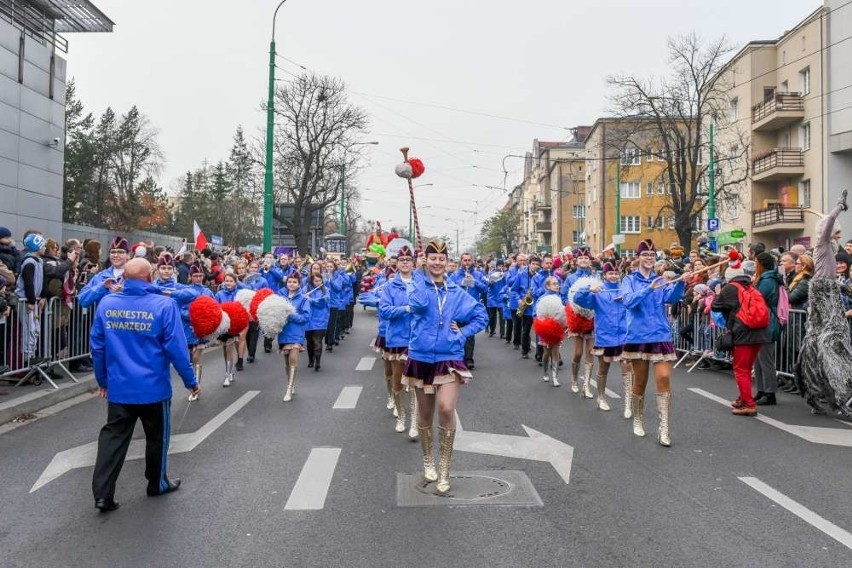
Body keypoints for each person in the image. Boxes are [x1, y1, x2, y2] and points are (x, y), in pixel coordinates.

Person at [90, 258, 200, 512]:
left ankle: (103, 494)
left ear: (124, 278)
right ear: (150, 277)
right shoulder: (164, 304)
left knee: (112, 439)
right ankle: (157, 483)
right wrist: (190, 381)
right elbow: (177, 349)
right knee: (157, 439)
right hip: (154, 388)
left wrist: (102, 380)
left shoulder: (107, 304)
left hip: (119, 387)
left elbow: (97, 346)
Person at [402, 239, 487, 494]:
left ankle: (445, 469)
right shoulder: (418, 286)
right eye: (433, 259)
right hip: (420, 357)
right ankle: (428, 461)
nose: (437, 263)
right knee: (425, 416)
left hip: (449, 357)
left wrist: (462, 333)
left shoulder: (458, 293)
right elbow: (416, 305)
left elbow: (480, 315)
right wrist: (419, 275)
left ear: (448, 262)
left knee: (446, 408)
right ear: (425, 261)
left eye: (442, 259)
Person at [620, 239, 690, 447]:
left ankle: (664, 429)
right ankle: (638, 419)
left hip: (661, 335)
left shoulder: (660, 279)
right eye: (645, 255)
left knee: (664, 378)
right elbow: (629, 302)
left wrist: (680, 282)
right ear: (638, 257)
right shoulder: (629, 280)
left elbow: (672, 298)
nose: (649, 258)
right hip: (638, 337)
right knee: (640, 382)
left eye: (652, 255)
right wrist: (649, 288)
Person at [712, 254, 770, 416]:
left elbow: (716, 307)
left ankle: (749, 405)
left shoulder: (730, 288)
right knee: (746, 367)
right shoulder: (751, 287)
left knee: (741, 369)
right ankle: (743, 398)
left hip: (743, 332)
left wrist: (719, 294)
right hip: (760, 332)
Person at [574, 262, 632, 415]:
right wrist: (589, 289)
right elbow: (578, 299)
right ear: (604, 275)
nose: (613, 276)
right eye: (610, 273)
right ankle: (601, 397)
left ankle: (628, 403)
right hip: (605, 337)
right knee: (603, 367)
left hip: (625, 336)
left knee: (627, 368)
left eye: (616, 273)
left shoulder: (625, 291)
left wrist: (626, 298)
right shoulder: (598, 292)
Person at [380, 246, 419, 437]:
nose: (405, 263)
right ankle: (401, 416)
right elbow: (384, 310)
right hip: (396, 337)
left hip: (417, 338)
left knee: (413, 382)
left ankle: (413, 422)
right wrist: (405, 309)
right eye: (402, 260)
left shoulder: (421, 283)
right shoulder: (390, 286)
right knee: (397, 380)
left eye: (408, 260)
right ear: (397, 263)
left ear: (413, 263)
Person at [753, 252, 783, 406]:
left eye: (756, 262)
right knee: (758, 359)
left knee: (766, 359)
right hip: (762, 321)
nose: (754, 264)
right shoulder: (765, 278)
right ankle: (761, 390)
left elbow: (757, 297)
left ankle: (770, 393)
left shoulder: (768, 279)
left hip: (767, 322)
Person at [449, 252, 487, 370]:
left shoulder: (478, 274)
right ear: (461, 261)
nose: (466, 262)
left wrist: (474, 282)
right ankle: (457, 358)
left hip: (471, 308)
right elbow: (448, 289)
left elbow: (485, 289)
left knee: (469, 334)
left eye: (469, 260)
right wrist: (460, 283)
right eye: (464, 260)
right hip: (457, 308)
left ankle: (469, 359)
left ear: (472, 261)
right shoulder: (454, 275)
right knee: (456, 332)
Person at [278, 273, 311, 402]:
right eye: (289, 282)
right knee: (286, 361)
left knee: (293, 358)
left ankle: (289, 388)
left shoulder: (304, 299)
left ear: (299, 284)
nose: (291, 284)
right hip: (284, 332)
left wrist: (291, 315)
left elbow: (306, 317)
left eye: (294, 282)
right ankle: (291, 383)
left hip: (297, 333)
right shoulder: (281, 297)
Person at [15, 233, 47, 366]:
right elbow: (29, 283)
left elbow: (42, 281)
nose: (45, 247)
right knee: (29, 329)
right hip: (27, 301)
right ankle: (27, 358)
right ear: (36, 247)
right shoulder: (29, 262)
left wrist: (43, 296)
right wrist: (31, 301)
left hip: (34, 301)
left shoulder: (39, 261)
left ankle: (32, 355)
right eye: (42, 245)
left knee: (36, 329)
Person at [214, 274, 244, 387]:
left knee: (229, 348)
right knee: (224, 349)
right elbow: (215, 308)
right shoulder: (219, 294)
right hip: (222, 325)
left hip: (234, 325)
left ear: (236, 282)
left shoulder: (239, 294)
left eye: (231, 281)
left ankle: (227, 375)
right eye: (226, 281)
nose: (228, 283)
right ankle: (230, 370)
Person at [305, 273, 329, 372]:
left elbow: (323, 303)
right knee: (309, 342)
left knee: (317, 341)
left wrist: (310, 300)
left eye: (320, 281)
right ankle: (311, 359)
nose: (318, 283)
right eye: (316, 281)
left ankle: (318, 362)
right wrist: (304, 298)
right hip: (308, 319)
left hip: (320, 319)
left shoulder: (326, 290)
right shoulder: (305, 290)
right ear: (311, 281)